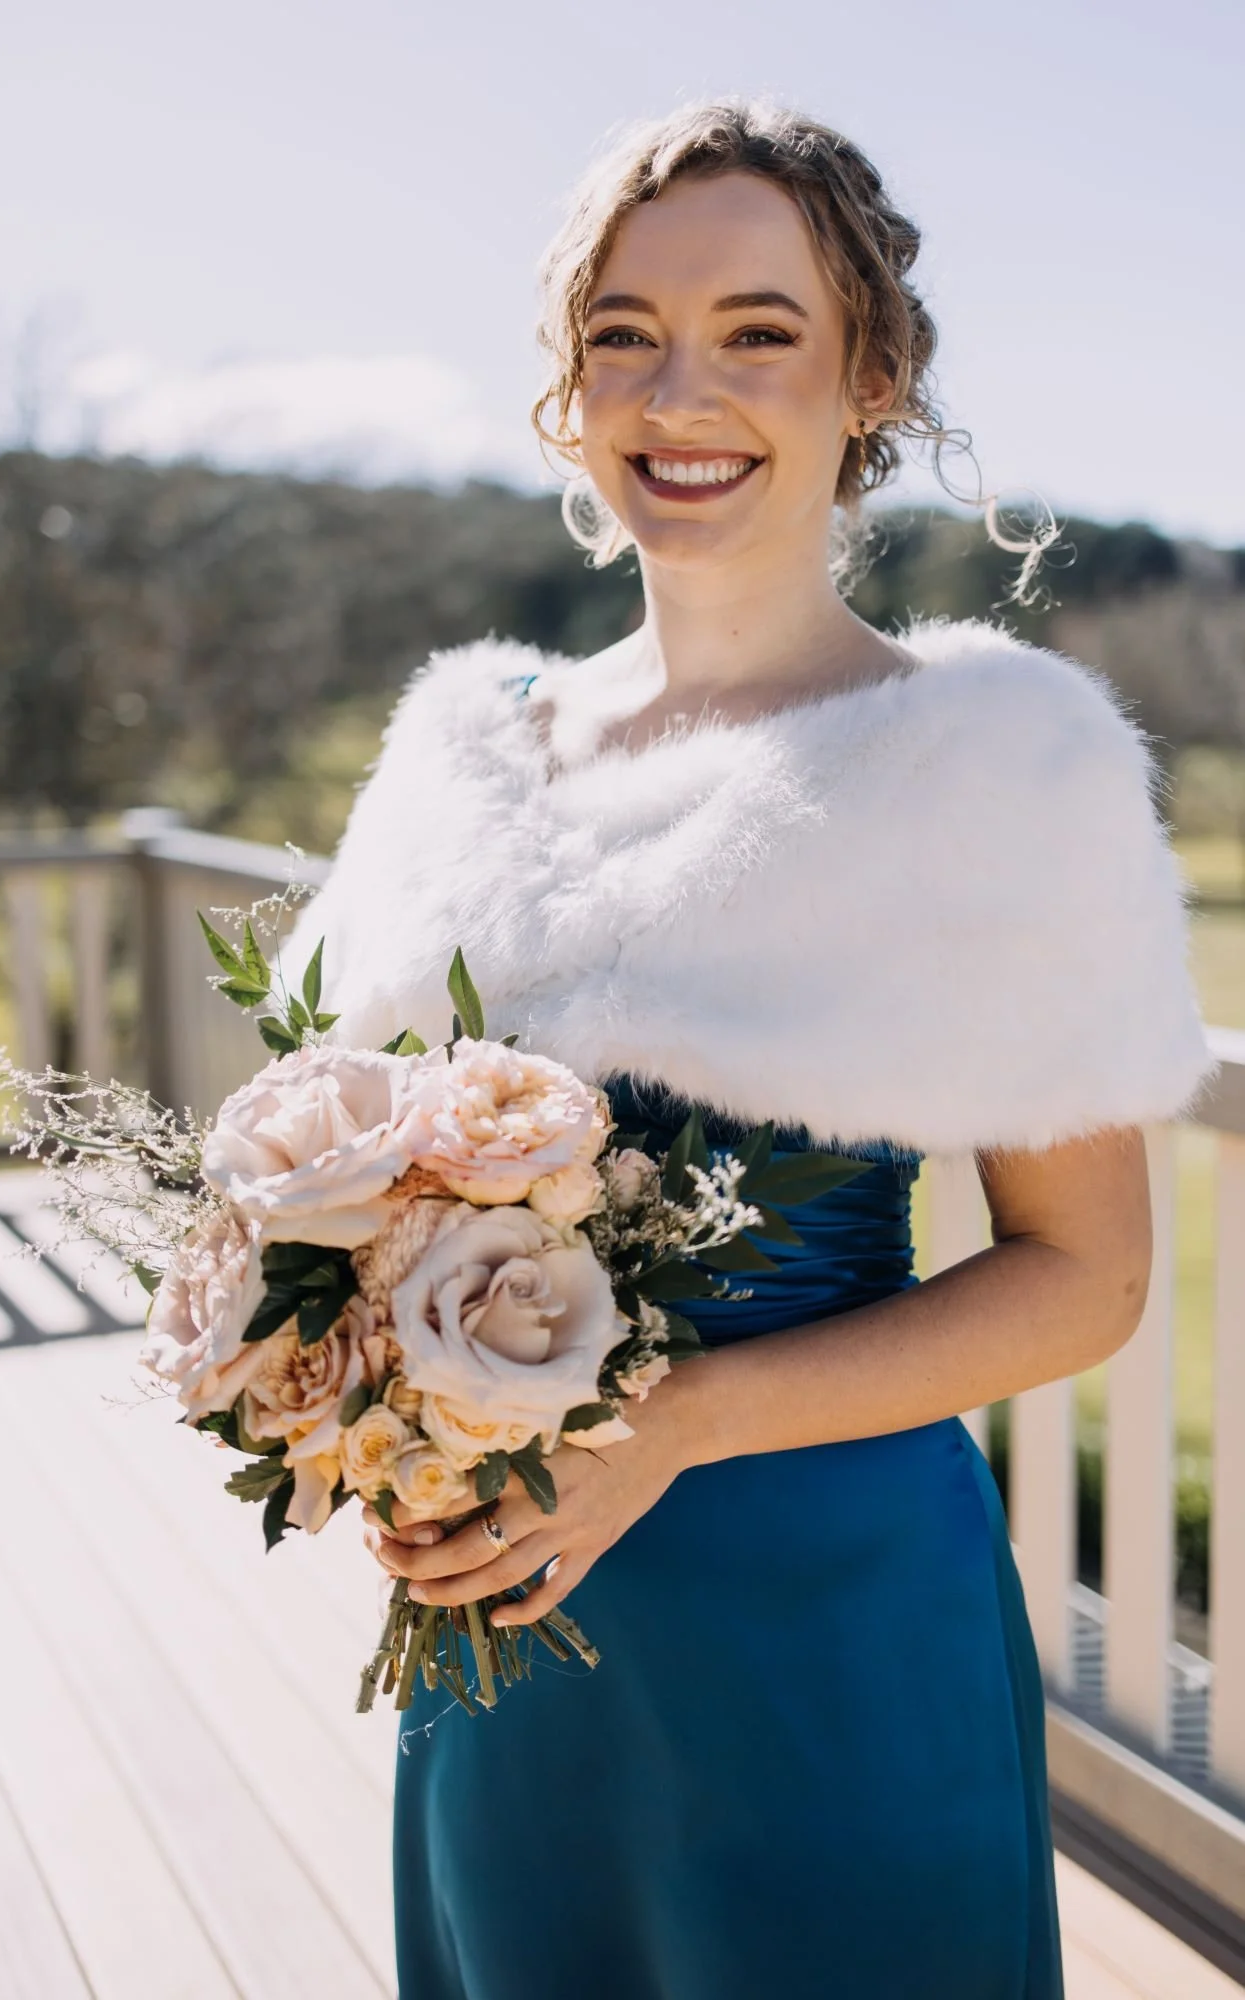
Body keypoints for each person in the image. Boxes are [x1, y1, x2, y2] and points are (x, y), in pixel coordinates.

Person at [277, 97, 1217, 2000]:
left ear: (868, 375)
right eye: (622, 332)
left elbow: (1086, 1276)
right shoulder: (463, 756)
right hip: (505, 1624)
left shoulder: (990, 763)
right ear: (568, 389)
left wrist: (668, 1428)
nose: (679, 389)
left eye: (758, 331)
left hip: (828, 1615)